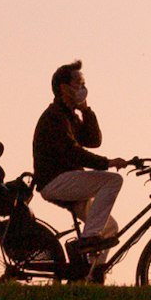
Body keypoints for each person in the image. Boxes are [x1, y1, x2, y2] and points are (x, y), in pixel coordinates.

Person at [32, 61, 125, 277]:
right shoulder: (55, 116)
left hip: (70, 180)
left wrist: (86, 110)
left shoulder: (70, 115)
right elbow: (73, 152)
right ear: (64, 88)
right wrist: (108, 163)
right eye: (79, 83)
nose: (83, 88)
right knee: (112, 180)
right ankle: (88, 238)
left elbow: (93, 140)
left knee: (110, 227)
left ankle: (90, 276)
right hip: (56, 181)